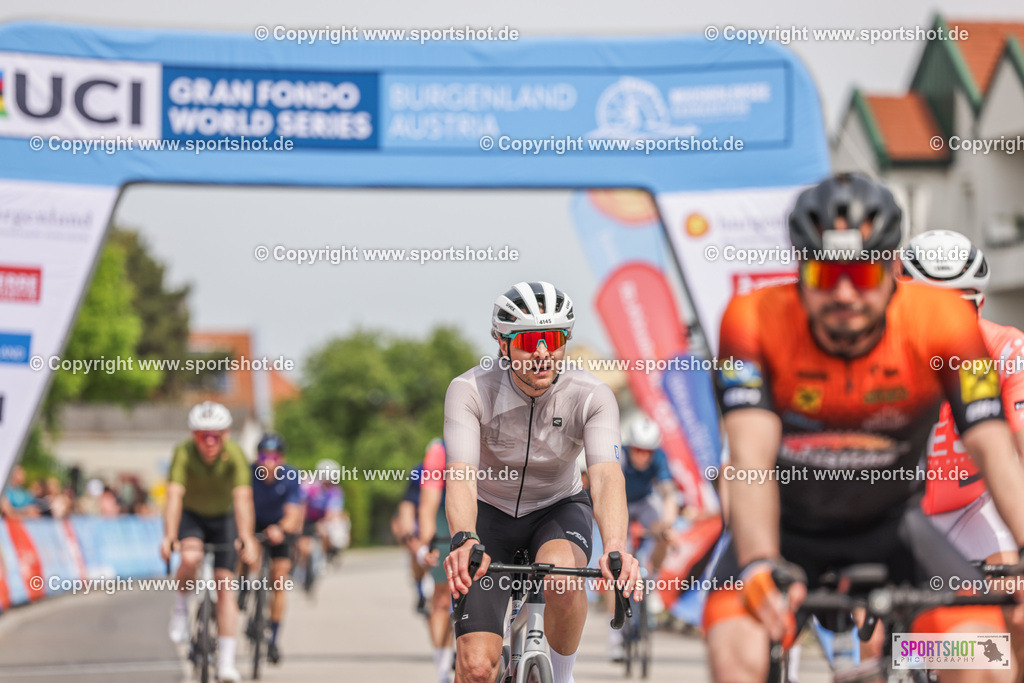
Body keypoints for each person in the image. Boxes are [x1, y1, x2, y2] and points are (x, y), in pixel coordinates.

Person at [703, 173, 1024, 683]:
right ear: (801, 272)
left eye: (865, 274)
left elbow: (993, 444)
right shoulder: (751, 320)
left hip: (894, 527)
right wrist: (760, 561)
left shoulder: (943, 319)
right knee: (736, 657)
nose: (846, 295)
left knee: (986, 660)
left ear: (891, 270)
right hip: (787, 528)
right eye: (827, 277)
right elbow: (749, 457)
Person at [443, 280, 642, 683]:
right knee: (478, 669)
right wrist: (464, 536)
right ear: (503, 345)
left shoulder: (592, 395)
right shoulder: (469, 390)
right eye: (528, 340)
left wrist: (617, 546)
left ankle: (563, 676)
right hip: (488, 516)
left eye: (551, 338)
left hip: (556, 509)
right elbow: (461, 473)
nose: (540, 352)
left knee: (564, 578)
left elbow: (605, 476)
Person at [902, 229, 1024, 672]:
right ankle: (908, 656)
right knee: (879, 635)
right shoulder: (872, 349)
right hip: (899, 511)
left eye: (956, 307)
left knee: (1015, 610)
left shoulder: (1004, 350)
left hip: (973, 507)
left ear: (980, 306)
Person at [160, 401, 257, 683]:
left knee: (225, 586)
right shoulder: (183, 453)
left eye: (216, 435)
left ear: (226, 435)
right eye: (204, 436)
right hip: (192, 516)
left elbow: (242, 499)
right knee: (190, 557)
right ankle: (180, 607)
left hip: (223, 518)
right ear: (194, 436)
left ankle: (226, 662)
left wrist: (247, 537)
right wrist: (168, 536)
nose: (210, 442)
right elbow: (174, 495)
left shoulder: (235, 454)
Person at [607, 413, 680, 660]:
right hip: (620, 502)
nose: (642, 456)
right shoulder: (620, 455)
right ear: (631, 446)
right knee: (613, 564)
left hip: (645, 502)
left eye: (647, 451)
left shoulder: (659, 457)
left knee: (665, 532)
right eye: (638, 449)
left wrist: (667, 526)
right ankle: (615, 639)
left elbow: (668, 495)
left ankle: (653, 581)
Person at [246, 432, 304, 665]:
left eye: (274, 456)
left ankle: (273, 639)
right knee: (246, 550)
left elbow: (294, 512)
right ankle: (243, 585)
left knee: (279, 579)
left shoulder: (290, 476)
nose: (269, 461)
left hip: (280, 526)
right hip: (254, 521)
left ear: (281, 458)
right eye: (264, 456)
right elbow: (242, 505)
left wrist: (281, 528)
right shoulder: (248, 474)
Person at [416, 438, 455, 683]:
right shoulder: (439, 450)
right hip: (444, 513)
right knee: (442, 597)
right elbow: (427, 507)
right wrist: (427, 545)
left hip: (487, 510)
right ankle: (443, 669)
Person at [296, 459, 346, 592]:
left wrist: (324, 523)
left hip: (323, 519)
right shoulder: (310, 485)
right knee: (302, 545)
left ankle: (328, 555)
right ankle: (301, 569)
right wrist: (299, 524)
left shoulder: (335, 490)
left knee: (329, 531)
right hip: (307, 518)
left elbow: (333, 511)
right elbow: (301, 504)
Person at [391, 463, 431, 615]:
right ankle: (420, 590)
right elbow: (406, 507)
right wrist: (408, 535)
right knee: (417, 554)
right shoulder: (419, 473)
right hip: (418, 519)